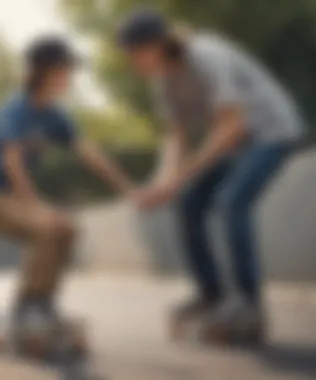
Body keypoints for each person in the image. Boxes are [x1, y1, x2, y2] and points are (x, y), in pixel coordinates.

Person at [117, 9, 305, 342]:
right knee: (188, 204)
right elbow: (175, 139)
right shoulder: (163, 83)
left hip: (271, 131)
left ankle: (248, 304)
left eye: (136, 54)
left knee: (231, 202)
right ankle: (212, 295)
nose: (133, 64)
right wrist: (161, 184)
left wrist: (179, 177)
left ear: (158, 43)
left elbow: (232, 126)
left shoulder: (206, 54)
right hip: (236, 144)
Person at [0, 36, 134, 342]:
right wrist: (36, 208)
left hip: (15, 198)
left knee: (67, 228)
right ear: (44, 70)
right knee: (47, 227)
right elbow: (12, 162)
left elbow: (88, 152)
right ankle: (25, 311)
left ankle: (43, 305)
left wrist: (128, 188)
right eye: (65, 70)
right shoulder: (15, 108)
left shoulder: (55, 114)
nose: (70, 77)